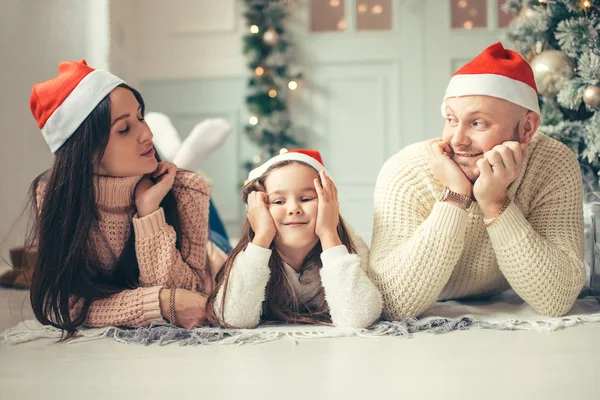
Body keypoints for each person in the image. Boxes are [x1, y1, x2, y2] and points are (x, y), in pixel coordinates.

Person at [369, 42, 584, 320]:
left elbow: (556, 299)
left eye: (478, 123)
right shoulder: (407, 170)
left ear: (527, 128)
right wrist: (455, 196)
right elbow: (389, 303)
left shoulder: (551, 164)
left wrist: (496, 204)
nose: (457, 140)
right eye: (451, 120)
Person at [27, 60, 224, 337]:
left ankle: (181, 157)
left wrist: (150, 213)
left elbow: (190, 299)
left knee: (216, 240)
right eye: (124, 129)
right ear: (87, 151)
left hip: (213, 253)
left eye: (141, 117)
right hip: (175, 204)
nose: (146, 134)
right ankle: (179, 154)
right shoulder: (54, 195)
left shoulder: (188, 189)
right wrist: (156, 304)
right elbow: (64, 305)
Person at [207, 149, 382, 328]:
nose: (293, 209)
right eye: (278, 202)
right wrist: (261, 236)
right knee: (211, 240)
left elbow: (359, 318)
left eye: (306, 199)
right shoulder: (250, 255)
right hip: (219, 249)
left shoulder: (348, 247)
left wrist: (328, 233)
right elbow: (233, 319)